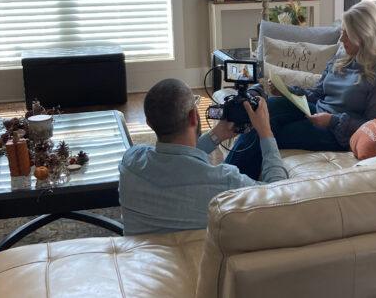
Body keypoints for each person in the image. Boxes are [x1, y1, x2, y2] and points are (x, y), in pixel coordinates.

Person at [225, 0, 376, 179]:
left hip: (336, 133)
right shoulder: (344, 56)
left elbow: (372, 126)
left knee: (268, 131)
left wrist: (332, 121)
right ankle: (229, 179)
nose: (341, 39)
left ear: (364, 35)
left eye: (347, 34)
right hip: (315, 111)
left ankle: (228, 180)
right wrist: (286, 91)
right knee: (265, 109)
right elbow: (317, 93)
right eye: (342, 32)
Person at [119, 79, 288, 236]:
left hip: (143, 263)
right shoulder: (225, 182)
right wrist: (265, 132)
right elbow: (282, 197)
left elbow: (175, 161)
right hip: (198, 265)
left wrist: (216, 135)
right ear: (194, 116)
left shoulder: (130, 160)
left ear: (149, 123)